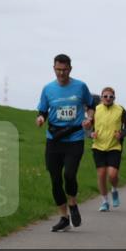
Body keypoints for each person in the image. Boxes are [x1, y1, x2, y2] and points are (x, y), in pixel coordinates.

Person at [36, 54, 98, 232]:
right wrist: (40, 118)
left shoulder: (80, 86)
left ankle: (73, 203)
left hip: (74, 138)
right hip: (54, 139)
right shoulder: (48, 89)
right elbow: (42, 110)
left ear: (70, 69)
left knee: (69, 174)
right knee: (55, 180)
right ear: (53, 68)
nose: (61, 73)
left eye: (64, 70)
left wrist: (89, 118)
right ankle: (63, 217)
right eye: (58, 70)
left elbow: (91, 105)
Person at [88, 87, 126, 211]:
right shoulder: (95, 110)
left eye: (110, 96)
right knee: (101, 175)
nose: (108, 98)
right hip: (98, 146)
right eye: (105, 96)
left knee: (112, 175)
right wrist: (90, 134)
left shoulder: (120, 110)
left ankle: (114, 190)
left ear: (114, 98)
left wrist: (122, 134)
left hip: (114, 146)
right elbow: (87, 126)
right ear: (101, 97)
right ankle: (104, 201)